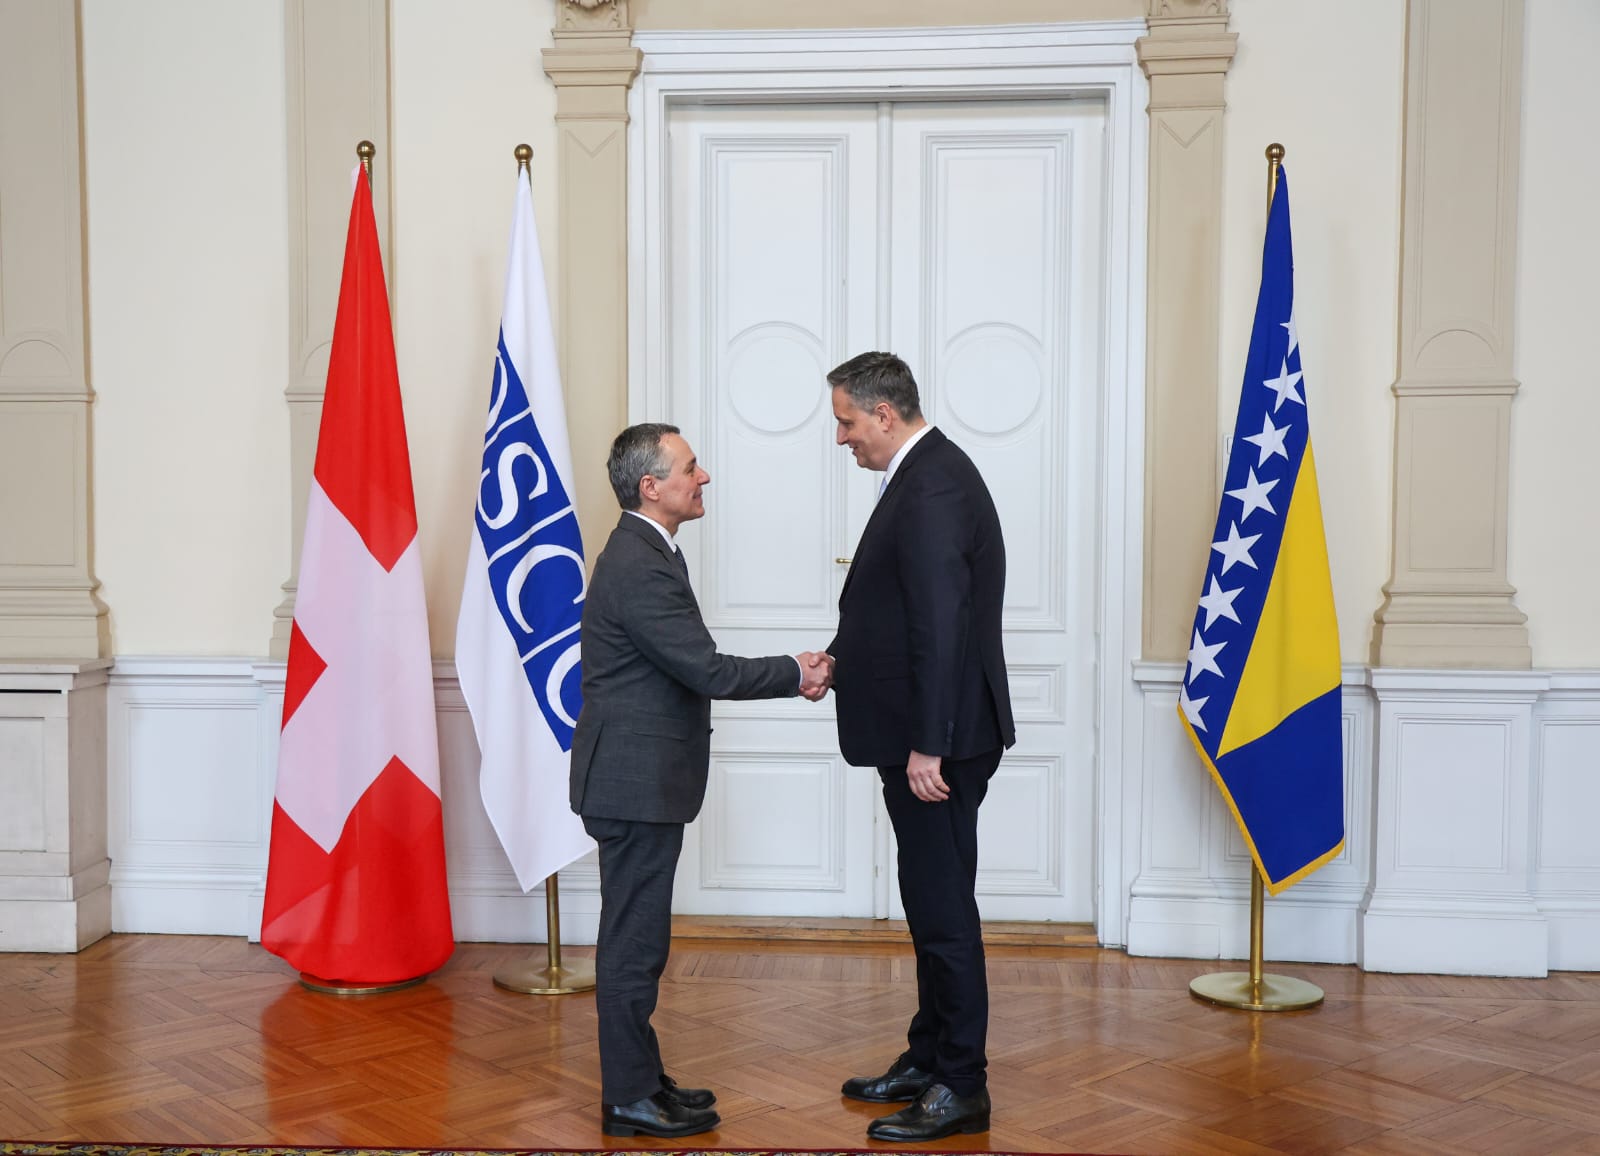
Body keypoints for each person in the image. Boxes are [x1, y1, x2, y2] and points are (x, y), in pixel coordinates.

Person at [570, 422, 831, 1139]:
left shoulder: (648, 551)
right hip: (632, 783)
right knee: (633, 945)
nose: (703, 476)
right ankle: (628, 1098)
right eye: (690, 467)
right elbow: (705, 668)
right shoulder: (639, 561)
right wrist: (796, 672)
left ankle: (642, 1080)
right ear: (651, 486)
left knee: (640, 940)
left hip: (639, 780)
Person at [819, 352, 1015, 1143]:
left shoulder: (931, 484)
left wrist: (928, 745)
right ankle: (929, 1057)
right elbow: (896, 613)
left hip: (939, 743)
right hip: (930, 734)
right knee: (931, 901)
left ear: (884, 414)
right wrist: (840, 660)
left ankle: (961, 1085)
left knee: (942, 913)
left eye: (846, 422)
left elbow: (940, 624)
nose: (841, 438)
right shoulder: (925, 473)